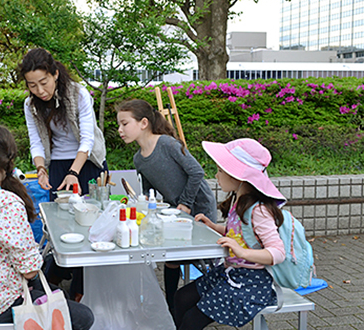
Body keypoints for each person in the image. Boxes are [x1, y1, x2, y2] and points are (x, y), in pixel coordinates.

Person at [0, 124, 94, 329]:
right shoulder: (7, 204)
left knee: (60, 294)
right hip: (1, 303)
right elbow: (30, 270)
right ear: (9, 159)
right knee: (84, 317)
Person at [174, 138, 286, 330]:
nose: (216, 175)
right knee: (181, 298)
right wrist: (212, 226)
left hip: (252, 284)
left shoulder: (258, 210)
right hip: (230, 274)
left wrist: (242, 253)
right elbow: (240, 235)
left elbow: (278, 252)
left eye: (220, 170)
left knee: (192, 320)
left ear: (237, 175)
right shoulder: (239, 202)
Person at [116, 99, 217, 312]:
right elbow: (150, 188)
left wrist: (186, 203)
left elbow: (196, 172)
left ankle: (209, 303)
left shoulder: (167, 144)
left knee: (204, 258)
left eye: (124, 124)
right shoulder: (138, 159)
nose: (120, 130)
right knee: (171, 259)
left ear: (143, 123)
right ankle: (172, 308)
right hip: (176, 212)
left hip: (198, 208)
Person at [20, 47, 107, 197]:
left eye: (43, 82)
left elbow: (87, 139)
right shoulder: (31, 105)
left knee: (94, 215)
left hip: (88, 162)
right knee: (60, 217)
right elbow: (36, 142)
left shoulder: (78, 94)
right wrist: (41, 169)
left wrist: (73, 172)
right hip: (58, 164)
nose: (40, 90)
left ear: (55, 74)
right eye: (32, 85)